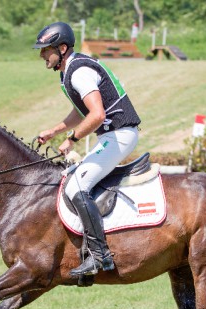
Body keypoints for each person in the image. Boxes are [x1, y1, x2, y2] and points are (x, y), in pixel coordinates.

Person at [34, 21, 141, 277]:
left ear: (61, 48)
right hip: (112, 135)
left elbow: (96, 115)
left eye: (45, 49)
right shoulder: (69, 70)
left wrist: (71, 139)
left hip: (119, 134)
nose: (41, 54)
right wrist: (54, 131)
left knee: (76, 187)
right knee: (72, 181)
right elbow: (79, 111)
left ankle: (100, 256)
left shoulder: (79, 71)